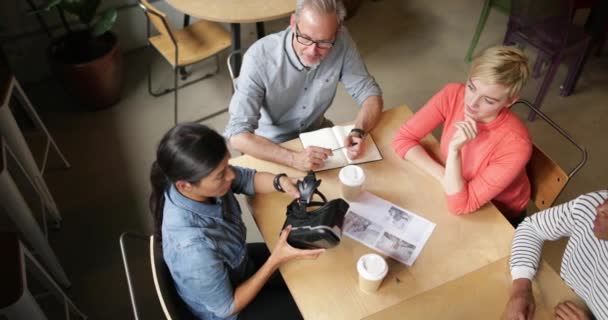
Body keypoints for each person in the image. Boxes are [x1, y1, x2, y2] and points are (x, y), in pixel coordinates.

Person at [149, 123, 324, 319]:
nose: (230, 175)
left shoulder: (196, 179)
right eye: (220, 175)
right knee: (314, 308)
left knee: (314, 271)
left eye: (227, 165)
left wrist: (280, 182)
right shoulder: (193, 250)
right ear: (185, 186)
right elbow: (227, 307)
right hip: (233, 309)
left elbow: (244, 178)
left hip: (238, 263)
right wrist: (275, 260)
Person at [224, 0, 383, 172]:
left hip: (317, 133)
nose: (312, 51)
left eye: (323, 43)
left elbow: (369, 93)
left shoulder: (341, 41)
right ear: (293, 23)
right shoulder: (259, 58)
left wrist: (359, 131)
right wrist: (293, 159)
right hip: (273, 146)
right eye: (305, 38)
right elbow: (238, 136)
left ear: (336, 33)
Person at [392, 46, 531, 226]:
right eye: (471, 87)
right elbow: (403, 139)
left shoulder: (516, 145)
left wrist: (454, 150)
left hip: (498, 214)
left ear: (510, 101)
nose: (472, 103)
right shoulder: (453, 94)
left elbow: (460, 206)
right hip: (455, 187)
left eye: (488, 100)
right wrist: (443, 177)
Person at [504, 190, 608, 320]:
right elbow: (532, 228)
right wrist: (521, 290)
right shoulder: (591, 206)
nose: (601, 207)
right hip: (565, 296)